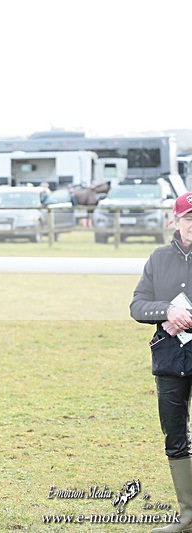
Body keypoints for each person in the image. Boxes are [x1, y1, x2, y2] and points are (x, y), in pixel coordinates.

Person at [131, 191, 192, 532]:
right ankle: (187, 517)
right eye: (188, 219)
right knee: (175, 437)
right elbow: (137, 305)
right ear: (176, 222)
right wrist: (167, 310)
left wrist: (188, 316)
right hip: (170, 360)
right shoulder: (157, 258)